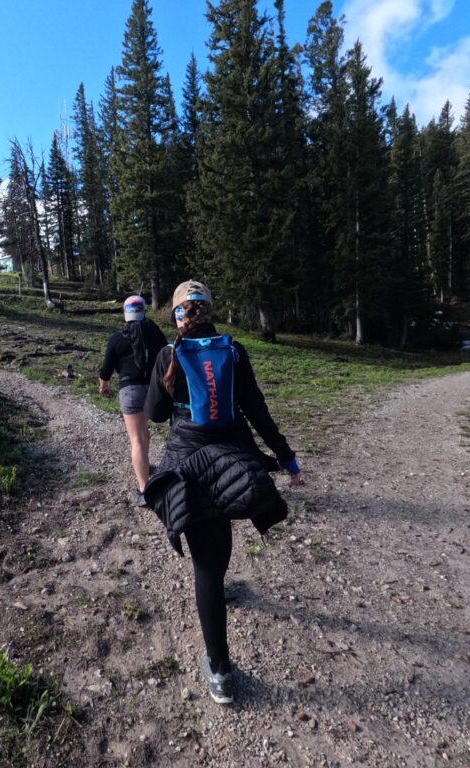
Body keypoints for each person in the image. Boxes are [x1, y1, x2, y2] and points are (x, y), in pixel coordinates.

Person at [143, 279, 302, 705]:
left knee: (206, 567)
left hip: (187, 467)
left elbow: (157, 415)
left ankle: (220, 672)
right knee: (218, 555)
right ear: (210, 310)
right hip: (232, 463)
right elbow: (255, 409)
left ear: (177, 315)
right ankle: (221, 643)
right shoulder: (233, 351)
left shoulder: (167, 355)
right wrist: (286, 457)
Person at [98, 295, 168, 505]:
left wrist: (104, 385)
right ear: (144, 311)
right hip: (154, 390)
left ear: (125, 314)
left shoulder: (117, 338)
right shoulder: (155, 333)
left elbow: (106, 370)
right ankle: (145, 467)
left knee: (136, 438)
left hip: (130, 391)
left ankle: (144, 491)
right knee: (144, 431)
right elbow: (166, 356)